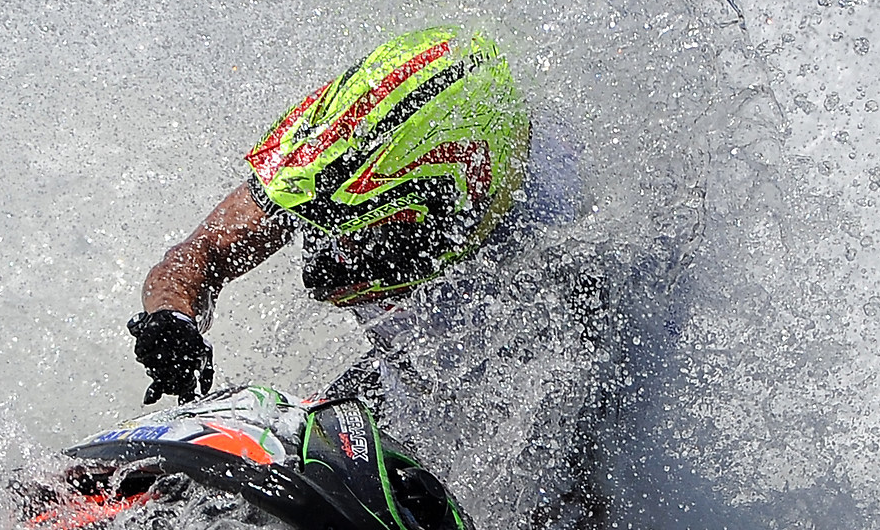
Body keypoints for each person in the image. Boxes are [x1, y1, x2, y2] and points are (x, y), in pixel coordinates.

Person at [127, 26, 584, 408]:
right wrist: (173, 322)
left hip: (483, 390)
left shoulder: (560, 248)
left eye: (364, 237)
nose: (321, 268)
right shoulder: (322, 167)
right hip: (401, 379)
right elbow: (200, 254)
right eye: (327, 225)